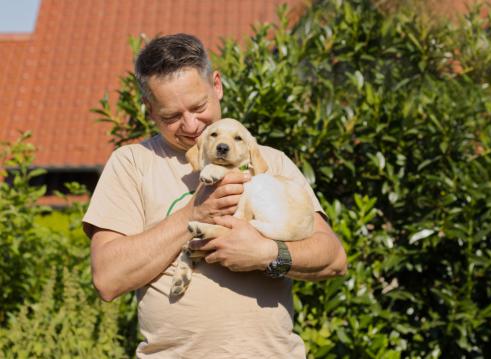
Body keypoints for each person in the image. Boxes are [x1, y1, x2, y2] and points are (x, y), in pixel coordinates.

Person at [83, 33, 347, 358]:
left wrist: (267, 253)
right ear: (149, 111)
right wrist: (193, 213)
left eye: (199, 107)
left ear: (217, 86)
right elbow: (108, 278)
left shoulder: (269, 160)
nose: (192, 125)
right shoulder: (132, 164)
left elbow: (333, 258)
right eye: (171, 117)